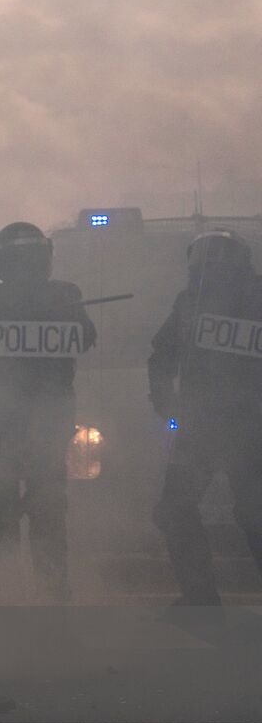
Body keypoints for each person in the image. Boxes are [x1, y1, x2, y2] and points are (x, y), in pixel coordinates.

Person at [0, 223, 96, 601]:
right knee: (47, 512)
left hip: (3, 424)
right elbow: (88, 339)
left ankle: (7, 594)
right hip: (43, 425)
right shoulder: (65, 294)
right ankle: (51, 596)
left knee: (3, 510)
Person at [148, 232, 262, 605]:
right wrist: (170, 407)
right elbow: (162, 357)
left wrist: (168, 406)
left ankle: (200, 600)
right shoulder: (192, 305)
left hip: (223, 429)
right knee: (187, 509)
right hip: (216, 428)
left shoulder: (191, 304)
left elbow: (161, 359)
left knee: (182, 509)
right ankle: (199, 600)